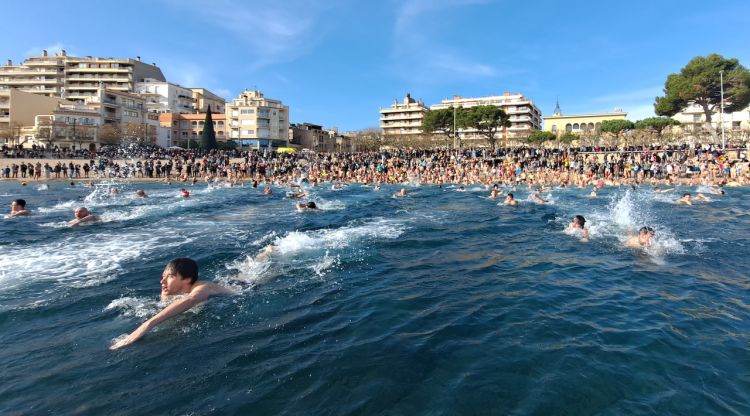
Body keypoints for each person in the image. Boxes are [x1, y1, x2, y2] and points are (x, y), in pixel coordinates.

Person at [110, 258, 233, 350]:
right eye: (163, 276)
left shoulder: (203, 288)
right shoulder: (169, 290)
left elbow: (191, 299)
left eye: (170, 277)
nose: (162, 281)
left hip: (243, 289)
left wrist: (147, 325)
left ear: (187, 279)